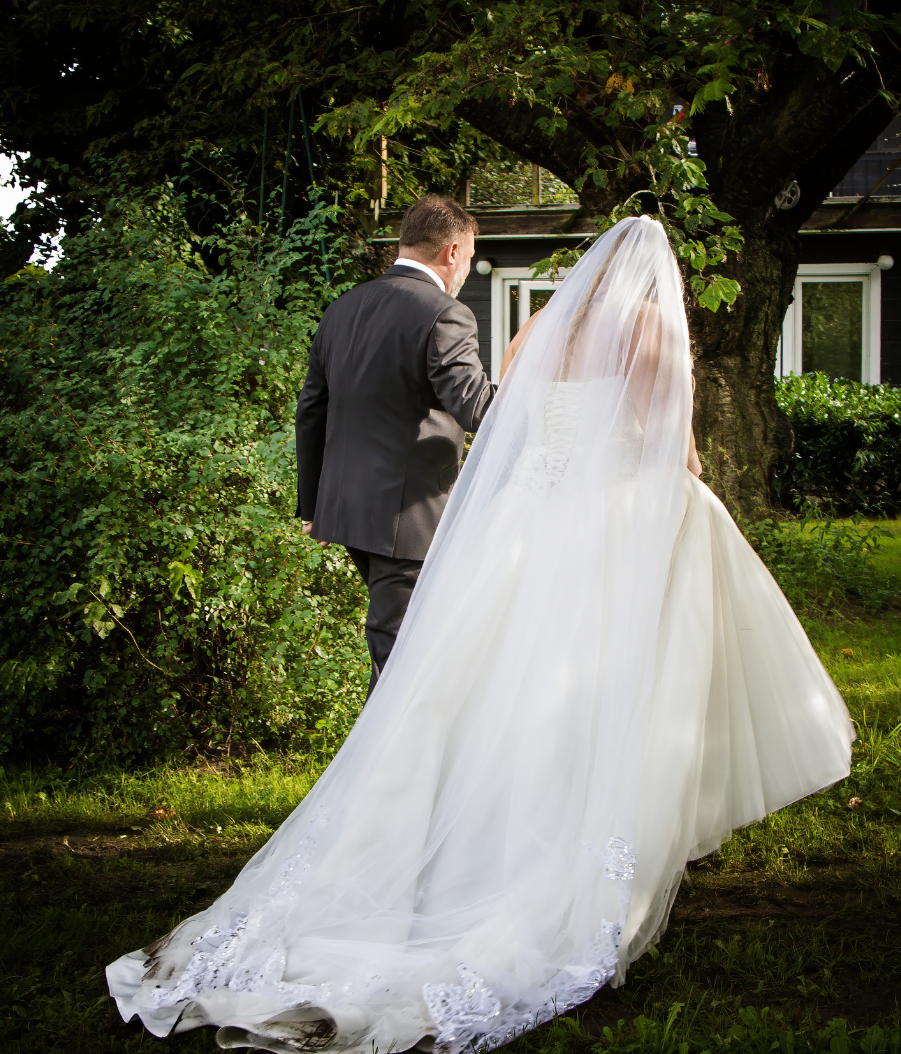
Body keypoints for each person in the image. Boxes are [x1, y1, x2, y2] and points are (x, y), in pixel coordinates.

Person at [106, 216, 855, 1054]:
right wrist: (682, 482)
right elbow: (672, 442)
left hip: (525, 520)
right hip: (608, 511)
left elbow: (514, 428)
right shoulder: (649, 330)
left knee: (484, 688)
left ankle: (458, 838)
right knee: (616, 675)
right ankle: (579, 840)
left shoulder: (537, 324)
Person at [294, 194, 495, 692]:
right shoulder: (445, 313)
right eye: (469, 258)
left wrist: (313, 505)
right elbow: (475, 407)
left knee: (412, 639)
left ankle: (416, 756)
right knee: (399, 652)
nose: (466, 270)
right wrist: (546, 397)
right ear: (451, 251)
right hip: (406, 517)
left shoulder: (342, 309)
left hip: (348, 510)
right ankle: (381, 768)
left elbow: (311, 410)